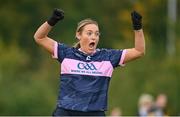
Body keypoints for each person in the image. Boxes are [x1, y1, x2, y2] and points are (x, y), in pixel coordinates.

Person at [34, 8, 145, 116]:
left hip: (94, 112)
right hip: (66, 111)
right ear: (78, 35)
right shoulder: (66, 53)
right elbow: (39, 37)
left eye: (97, 34)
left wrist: (138, 28)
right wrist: (52, 21)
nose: (94, 37)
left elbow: (139, 51)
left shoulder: (108, 57)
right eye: (89, 33)